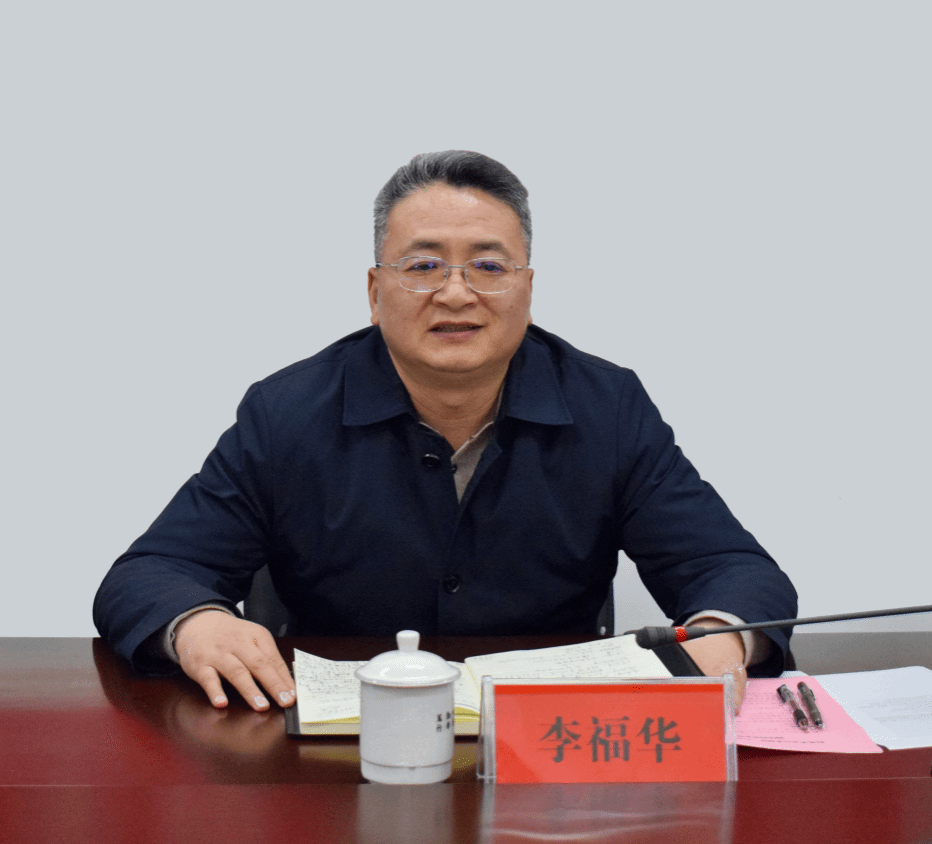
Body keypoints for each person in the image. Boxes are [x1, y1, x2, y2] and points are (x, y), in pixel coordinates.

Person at [94, 151, 797, 713]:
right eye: (423, 266)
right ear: (376, 293)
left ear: (527, 289)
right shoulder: (287, 413)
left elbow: (734, 570)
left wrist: (720, 638)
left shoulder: (608, 407)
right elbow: (149, 574)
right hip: (335, 749)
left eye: (488, 266)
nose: (456, 293)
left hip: (546, 751)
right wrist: (197, 624)